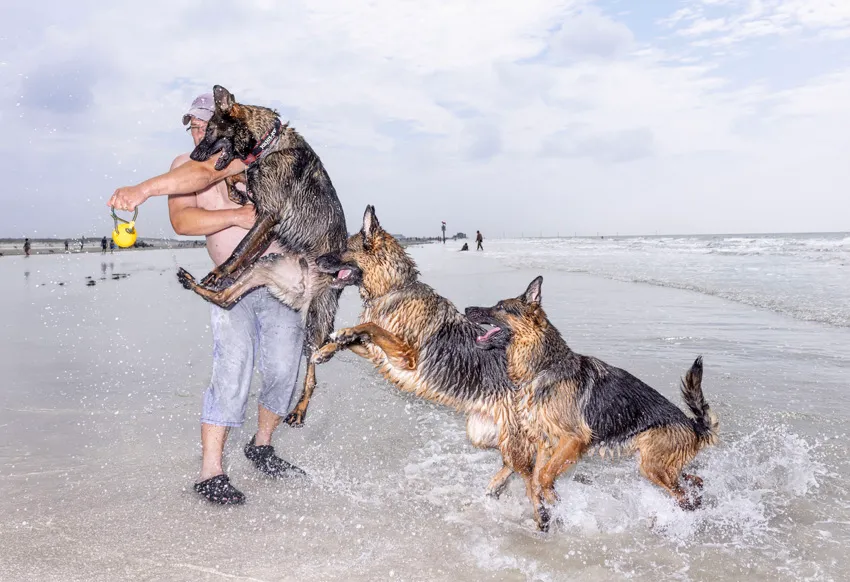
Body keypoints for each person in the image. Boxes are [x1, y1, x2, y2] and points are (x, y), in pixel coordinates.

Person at [108, 93, 306, 505]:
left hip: (283, 280)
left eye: (205, 125)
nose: (199, 133)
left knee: (284, 370)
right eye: (194, 126)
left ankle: (262, 445)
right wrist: (236, 216)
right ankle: (210, 471)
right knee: (231, 370)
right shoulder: (184, 166)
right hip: (230, 284)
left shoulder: (251, 158)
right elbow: (182, 221)